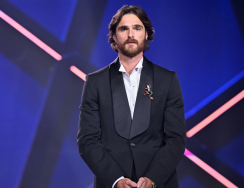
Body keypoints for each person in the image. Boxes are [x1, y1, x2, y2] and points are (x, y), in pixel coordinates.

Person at [78, 5, 186, 188]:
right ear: (114, 36)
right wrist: (116, 180)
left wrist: (152, 178)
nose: (131, 34)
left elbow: (176, 139)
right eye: (124, 29)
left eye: (137, 28)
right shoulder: (95, 82)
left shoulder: (167, 80)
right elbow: (87, 140)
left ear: (146, 34)